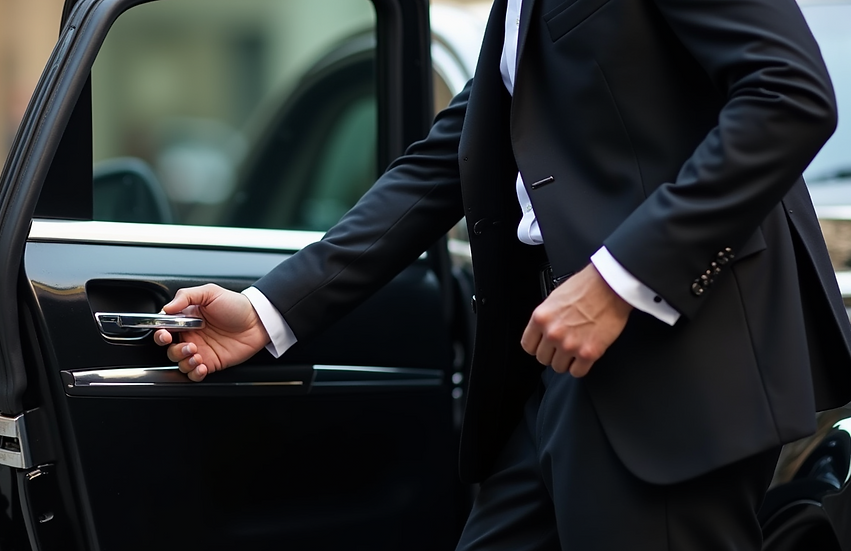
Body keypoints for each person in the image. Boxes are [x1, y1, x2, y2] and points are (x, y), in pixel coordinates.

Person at [155, 0, 851, 548]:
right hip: (550, 368)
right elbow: (447, 159)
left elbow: (789, 95)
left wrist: (618, 279)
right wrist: (271, 308)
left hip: (672, 365)